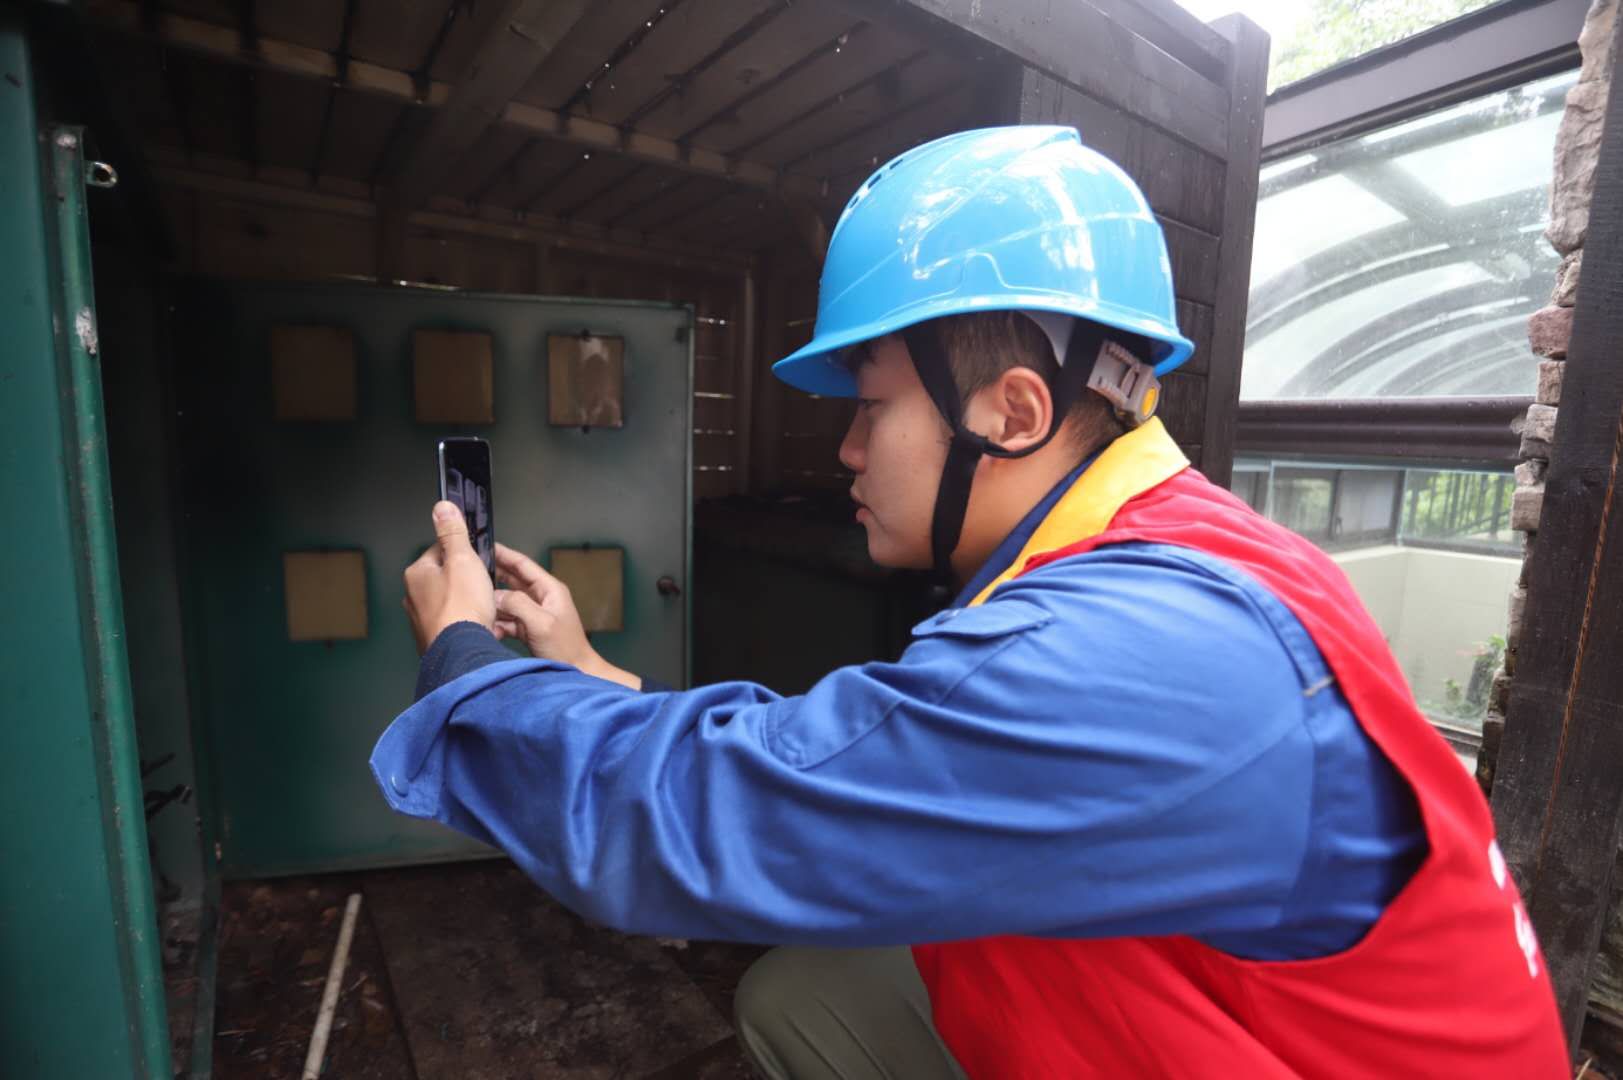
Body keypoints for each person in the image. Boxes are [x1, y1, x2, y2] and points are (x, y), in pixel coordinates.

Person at [376, 126, 1567, 1077]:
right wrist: (589, 677)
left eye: (870, 405)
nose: (845, 449)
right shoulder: (1187, 556)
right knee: (804, 996)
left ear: (1012, 411)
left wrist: (470, 663)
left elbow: (710, 816)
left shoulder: (1141, 650)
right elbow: (842, 772)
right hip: (1211, 1014)